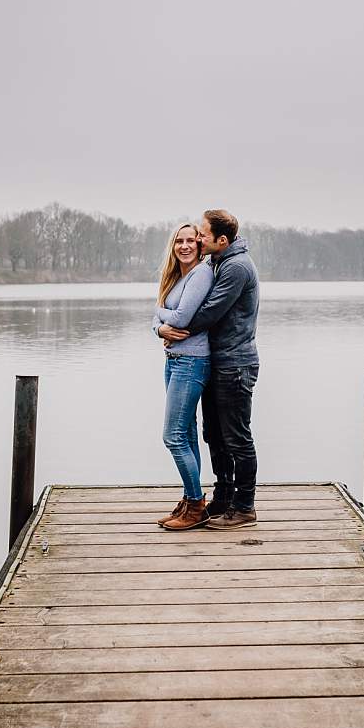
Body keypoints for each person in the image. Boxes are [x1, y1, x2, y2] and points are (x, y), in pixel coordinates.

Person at [159, 208, 260, 530]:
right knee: (213, 436)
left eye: (201, 235)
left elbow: (207, 314)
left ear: (221, 239)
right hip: (216, 361)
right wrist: (162, 325)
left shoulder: (236, 267)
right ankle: (222, 498)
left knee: (237, 438)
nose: (197, 240)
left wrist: (173, 328)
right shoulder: (216, 262)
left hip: (236, 363)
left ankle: (244, 507)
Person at [151, 223, 215, 530]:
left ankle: (196, 505)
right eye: (180, 240)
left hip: (191, 362)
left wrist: (162, 322)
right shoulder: (175, 276)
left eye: (191, 240)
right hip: (173, 360)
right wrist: (160, 328)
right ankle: (191, 502)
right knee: (186, 434)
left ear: (200, 245)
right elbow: (159, 315)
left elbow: (182, 318)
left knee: (172, 436)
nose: (185, 245)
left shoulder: (202, 273)